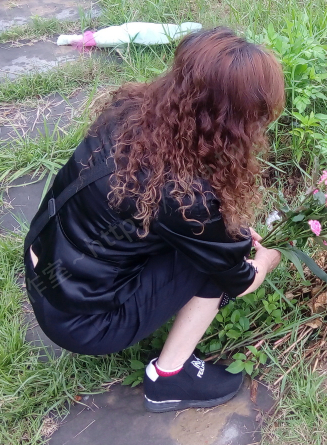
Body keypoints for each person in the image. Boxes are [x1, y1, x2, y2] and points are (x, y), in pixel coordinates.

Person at [22, 27, 284, 412]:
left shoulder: (127, 111)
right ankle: (169, 377)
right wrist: (266, 259)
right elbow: (240, 280)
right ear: (233, 122)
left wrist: (226, 234)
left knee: (213, 243)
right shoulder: (188, 198)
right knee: (213, 264)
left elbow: (146, 212)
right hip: (82, 323)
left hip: (42, 263)